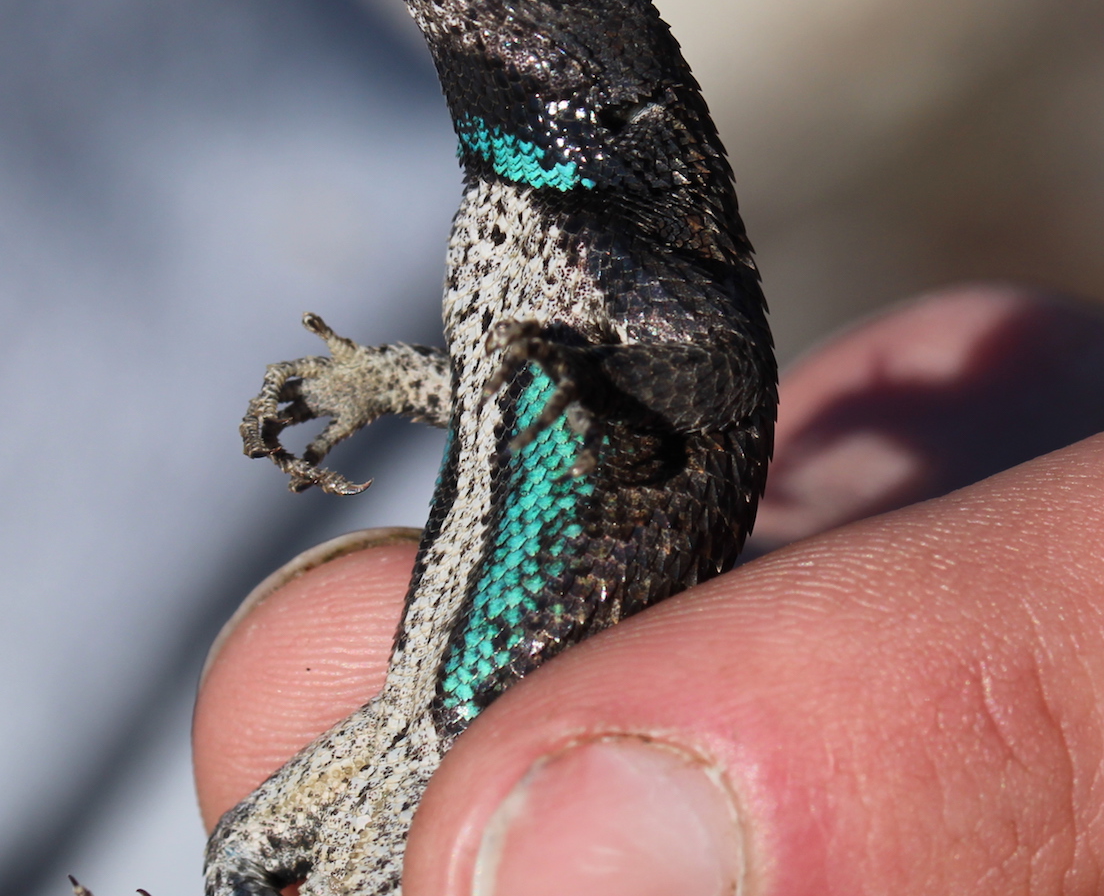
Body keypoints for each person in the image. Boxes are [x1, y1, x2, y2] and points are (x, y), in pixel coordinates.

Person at [194, 285, 1104, 895]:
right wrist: (377, 376)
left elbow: (591, 394)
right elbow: (513, 393)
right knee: (241, 853)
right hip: (420, 722)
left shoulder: (651, 274)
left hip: (481, 729)